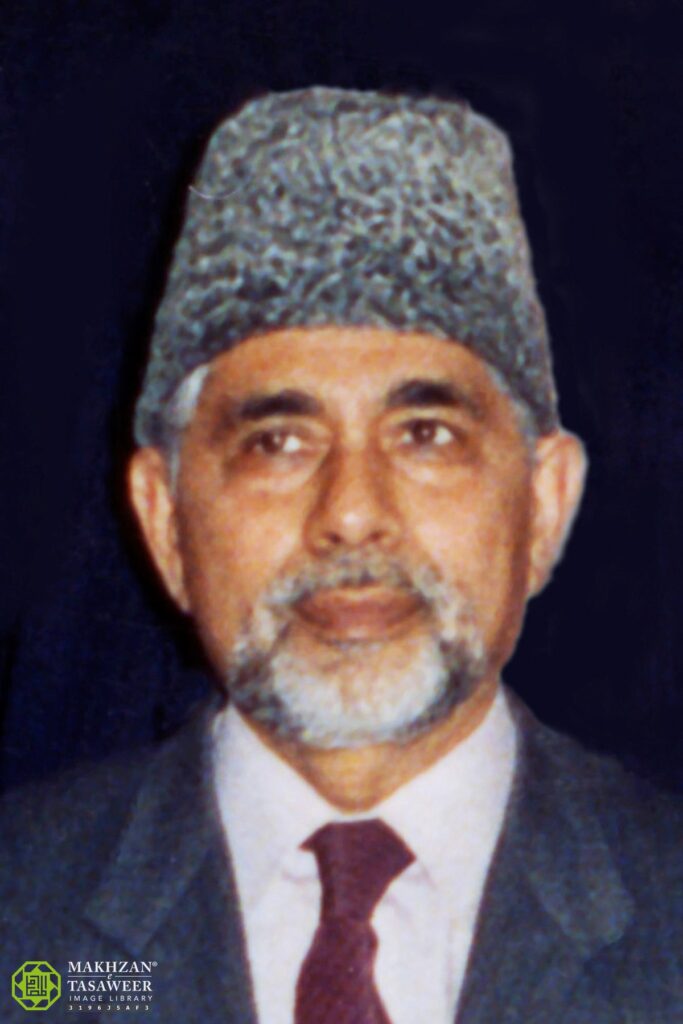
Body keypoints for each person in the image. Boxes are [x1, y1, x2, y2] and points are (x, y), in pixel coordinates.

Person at [1, 87, 682, 1023]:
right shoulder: (23, 933)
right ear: (163, 522)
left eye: (425, 434)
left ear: (544, 505)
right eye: (277, 443)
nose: (352, 514)